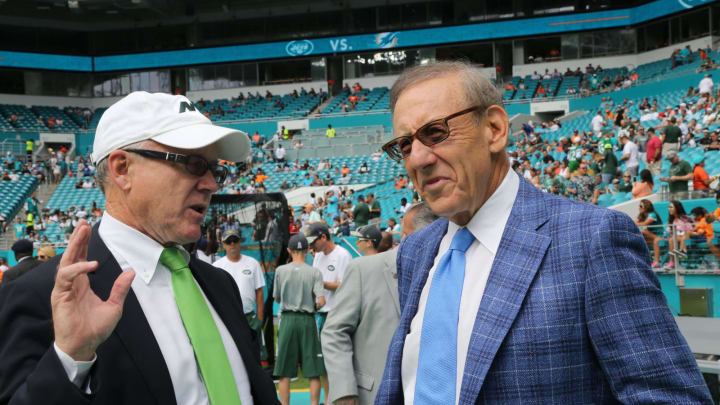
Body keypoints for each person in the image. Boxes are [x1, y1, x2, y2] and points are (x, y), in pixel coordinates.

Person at [375, 61, 710, 404]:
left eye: (435, 132)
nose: (417, 158)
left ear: (494, 128)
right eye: (404, 145)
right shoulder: (415, 252)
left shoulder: (592, 238)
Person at [0, 92, 279, 405]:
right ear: (122, 169)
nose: (212, 183)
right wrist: (70, 360)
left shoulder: (219, 284)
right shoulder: (42, 296)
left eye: (215, 170)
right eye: (194, 164)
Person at [322, 203, 437, 405]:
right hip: (373, 396)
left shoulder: (451, 273)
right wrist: (344, 392)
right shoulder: (364, 269)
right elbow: (334, 332)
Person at [274, 234, 326, 405]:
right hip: (307, 321)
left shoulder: (280, 270)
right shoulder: (314, 272)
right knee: (313, 370)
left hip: (288, 320)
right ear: (307, 250)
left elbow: (277, 298)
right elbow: (321, 300)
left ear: (289, 250)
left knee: (284, 372)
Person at [307, 223, 352, 405]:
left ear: (324, 237)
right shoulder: (317, 256)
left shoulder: (342, 255)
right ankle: (328, 398)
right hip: (321, 313)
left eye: (314, 242)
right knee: (322, 360)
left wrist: (321, 284)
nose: (312, 246)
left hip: (336, 312)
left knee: (338, 360)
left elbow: (345, 284)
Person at [213, 230, 267, 362]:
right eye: (228, 242)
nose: (232, 244)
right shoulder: (217, 266)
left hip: (250, 317)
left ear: (240, 243)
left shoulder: (252, 263)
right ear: (223, 245)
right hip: (228, 318)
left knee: (254, 356)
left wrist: (259, 318)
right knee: (232, 357)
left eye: (235, 241)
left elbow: (259, 292)